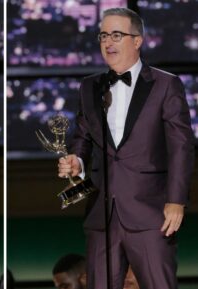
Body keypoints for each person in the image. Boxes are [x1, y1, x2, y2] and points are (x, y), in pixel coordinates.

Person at [58, 7, 194, 289]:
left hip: (151, 214)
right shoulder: (89, 87)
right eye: (104, 35)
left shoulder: (165, 85)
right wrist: (76, 162)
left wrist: (177, 200)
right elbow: (82, 137)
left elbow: (181, 146)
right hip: (102, 215)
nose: (108, 42)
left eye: (117, 35)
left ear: (137, 40)